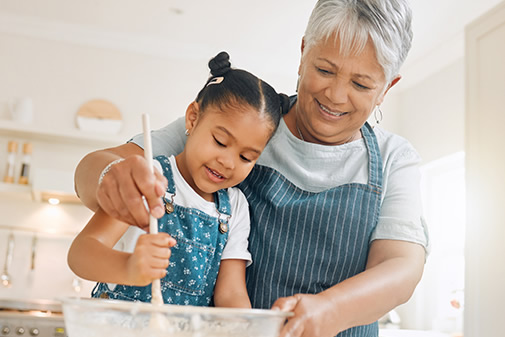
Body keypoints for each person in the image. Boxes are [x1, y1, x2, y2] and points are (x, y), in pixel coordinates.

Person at [73, 1, 429, 336]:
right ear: (303, 53)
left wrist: (331, 309)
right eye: (324, 69)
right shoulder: (248, 119)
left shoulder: (394, 158)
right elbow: (95, 168)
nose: (335, 95)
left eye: (361, 84)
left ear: (386, 88)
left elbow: (401, 268)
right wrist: (111, 179)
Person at [68, 51, 288, 308]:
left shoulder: (235, 208)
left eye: (246, 157)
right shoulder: (148, 179)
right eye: (220, 141)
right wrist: (127, 267)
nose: (228, 163)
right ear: (193, 119)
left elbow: (231, 294)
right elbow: (81, 253)